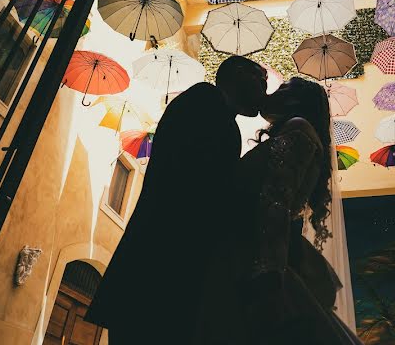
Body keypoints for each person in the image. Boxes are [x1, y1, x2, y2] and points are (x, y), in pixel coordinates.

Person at [85, 55, 268, 344]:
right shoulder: (204, 102)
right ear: (237, 74)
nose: (264, 90)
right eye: (261, 80)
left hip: (169, 259)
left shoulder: (218, 114)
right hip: (164, 260)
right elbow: (204, 184)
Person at [194, 78, 363, 344]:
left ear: (295, 101)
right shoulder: (296, 131)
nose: (270, 93)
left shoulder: (298, 129)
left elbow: (275, 202)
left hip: (253, 253)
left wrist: (267, 272)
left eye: (282, 89)